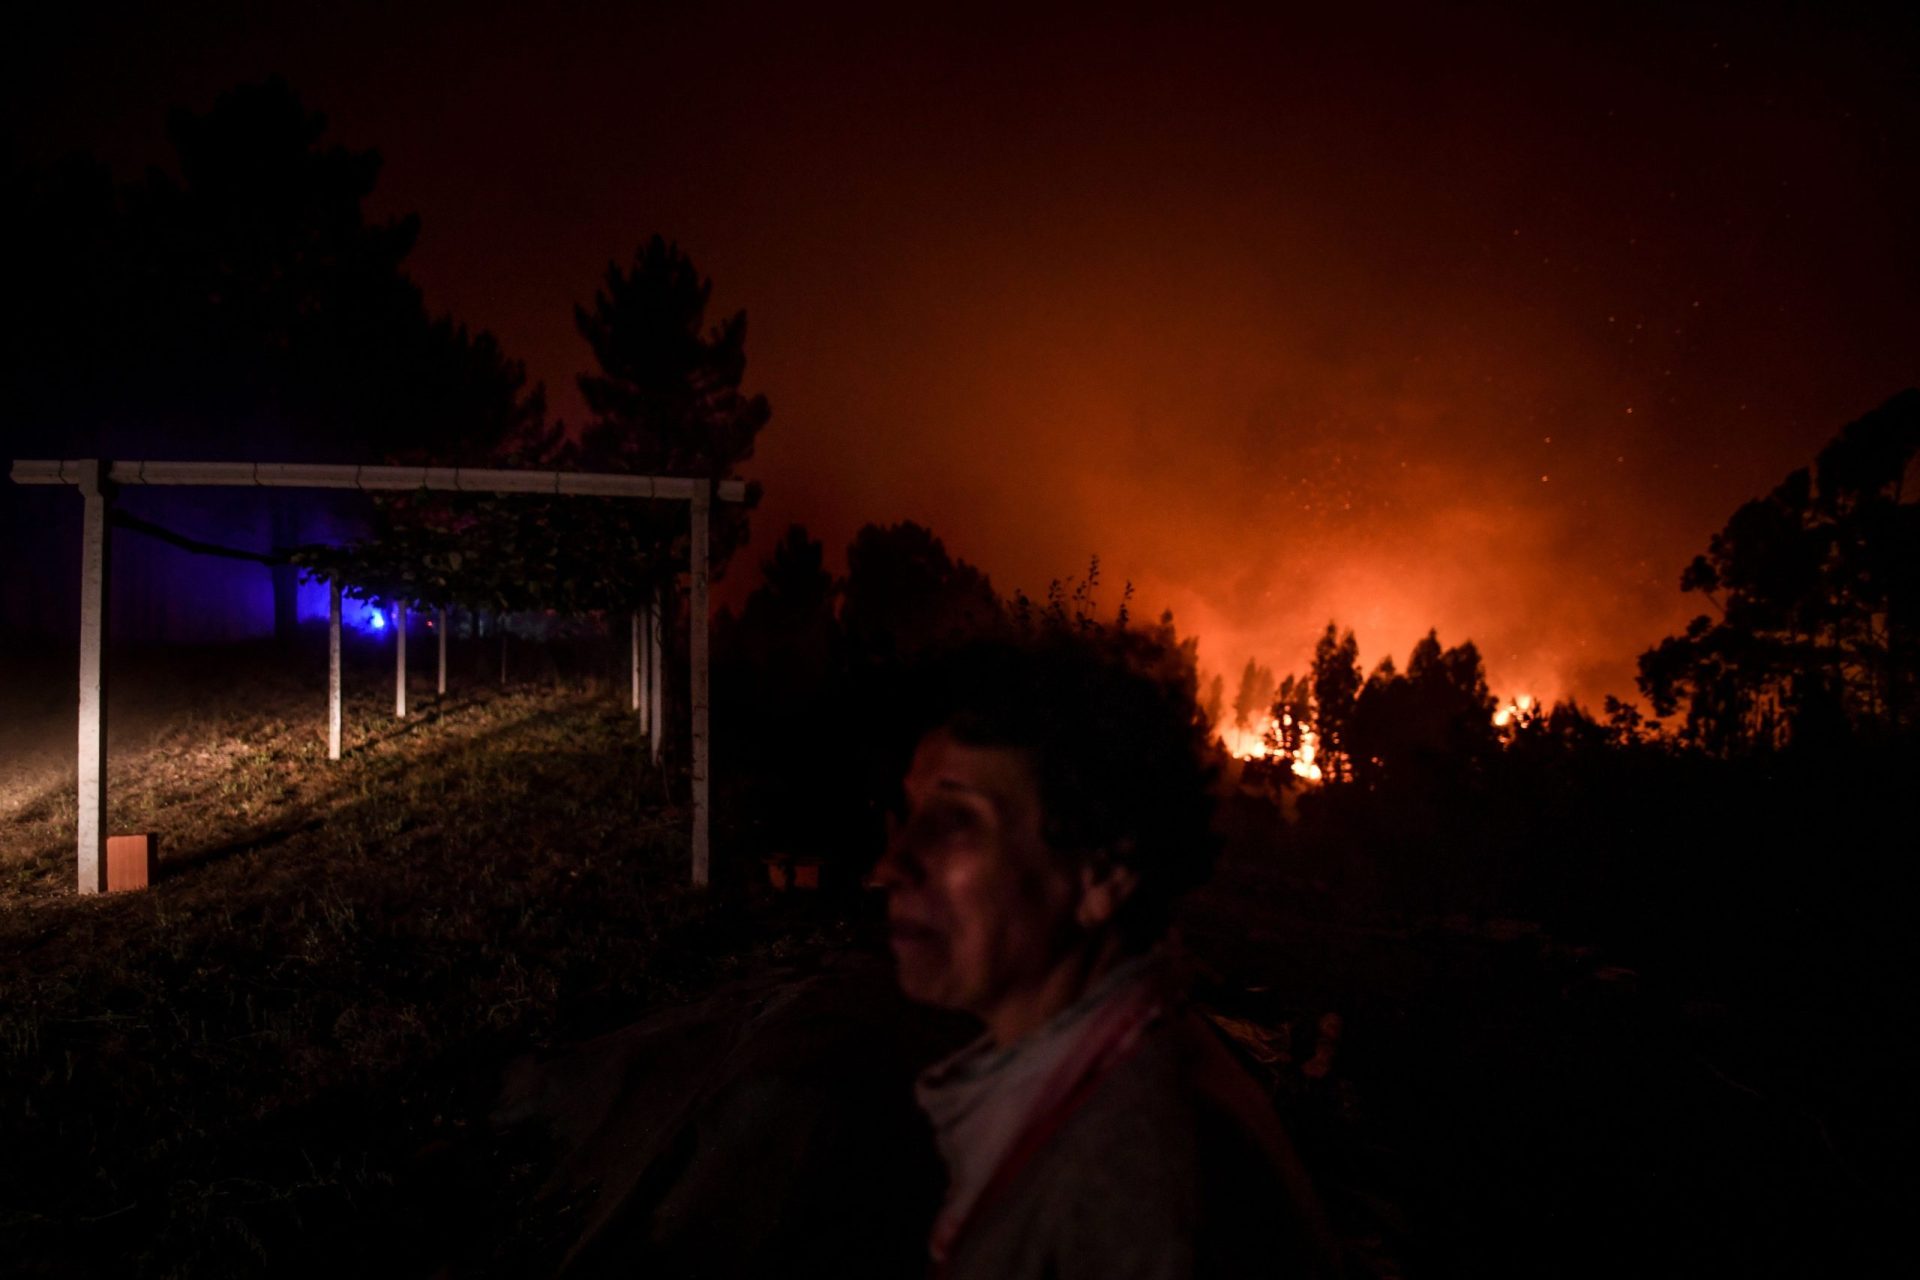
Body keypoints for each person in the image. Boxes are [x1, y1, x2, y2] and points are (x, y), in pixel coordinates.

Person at [868, 637, 1339, 1279]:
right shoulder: (1108, 1083)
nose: (891, 866)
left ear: (1101, 876)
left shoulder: (1137, 1176)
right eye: (910, 815)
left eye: (957, 822)